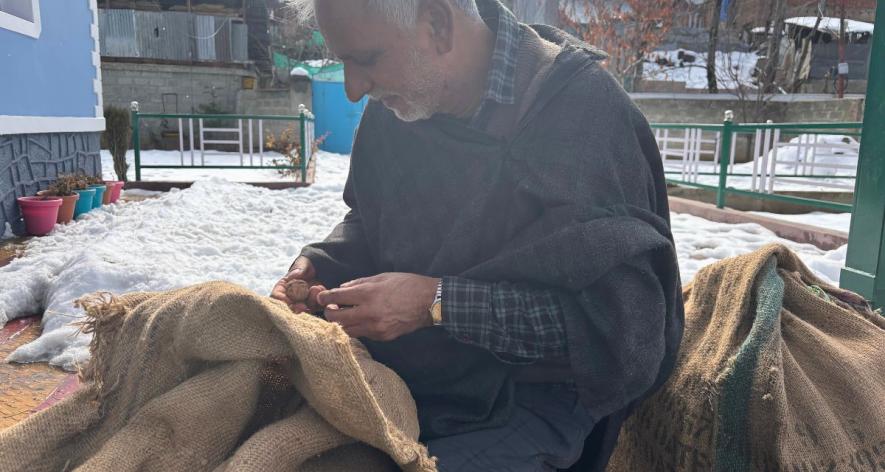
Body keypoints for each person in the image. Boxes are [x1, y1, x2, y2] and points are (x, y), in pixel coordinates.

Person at [271, 0, 685, 470]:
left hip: (531, 397)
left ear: (438, 25)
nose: (352, 90)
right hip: (406, 374)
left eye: (365, 60)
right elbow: (371, 219)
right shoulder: (396, 107)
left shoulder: (582, 116)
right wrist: (319, 263)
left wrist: (437, 303)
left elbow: (618, 331)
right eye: (342, 62)